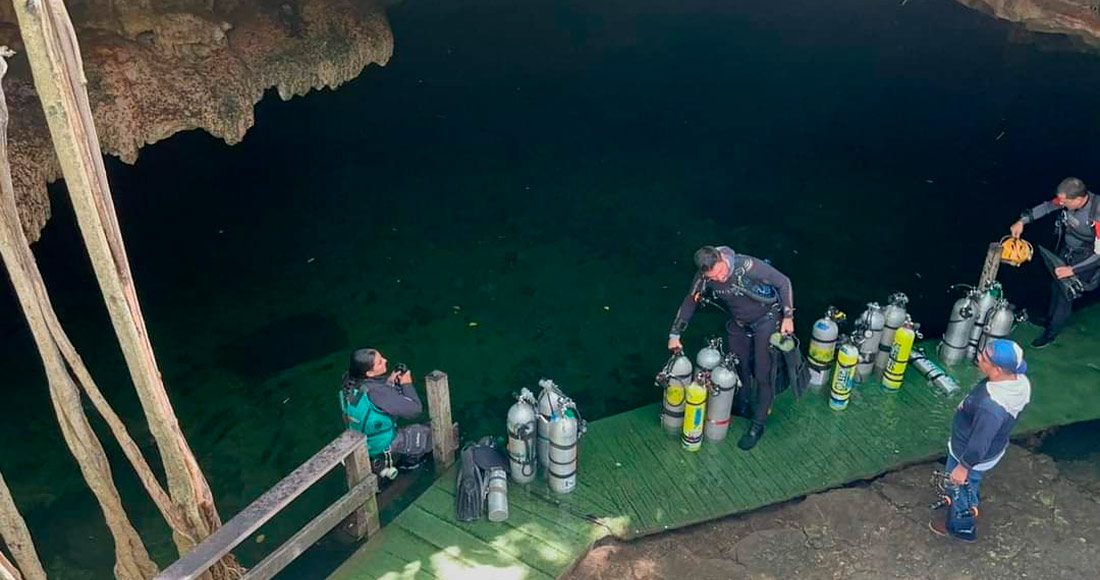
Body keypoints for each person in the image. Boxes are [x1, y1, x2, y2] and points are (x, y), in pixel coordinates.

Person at [668, 245, 795, 450]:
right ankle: (742, 404)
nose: (720, 277)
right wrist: (675, 334)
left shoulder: (748, 266)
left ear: (721, 258)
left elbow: (783, 282)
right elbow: (690, 301)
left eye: (721, 271)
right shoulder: (704, 278)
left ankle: (757, 425)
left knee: (763, 373)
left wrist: (788, 316)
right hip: (739, 322)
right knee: (738, 366)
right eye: (714, 276)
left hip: (766, 319)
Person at [929, 339, 1031, 542]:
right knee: (966, 484)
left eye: (984, 358)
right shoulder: (1019, 381)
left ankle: (962, 527)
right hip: (993, 447)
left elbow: (979, 443)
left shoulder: (991, 408)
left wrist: (963, 467)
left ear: (998, 370)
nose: (978, 357)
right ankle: (964, 499)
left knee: (960, 490)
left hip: (968, 454)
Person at [1009, 177, 1100, 348]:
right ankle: (1050, 319)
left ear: (1078, 199)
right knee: (1056, 285)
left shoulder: (1097, 213)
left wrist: (1072, 270)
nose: (1061, 204)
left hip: (1086, 258)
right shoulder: (1067, 200)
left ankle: (1052, 332)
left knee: (1066, 293)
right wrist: (1022, 221)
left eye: (1065, 202)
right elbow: (1048, 206)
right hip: (1067, 251)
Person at [339, 348, 432, 477]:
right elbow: (415, 410)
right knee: (426, 435)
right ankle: (409, 466)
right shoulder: (378, 393)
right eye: (379, 362)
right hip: (380, 445)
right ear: (369, 373)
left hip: (362, 440)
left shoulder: (350, 383)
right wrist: (407, 384)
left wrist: (389, 383)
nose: (385, 360)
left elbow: (371, 400)